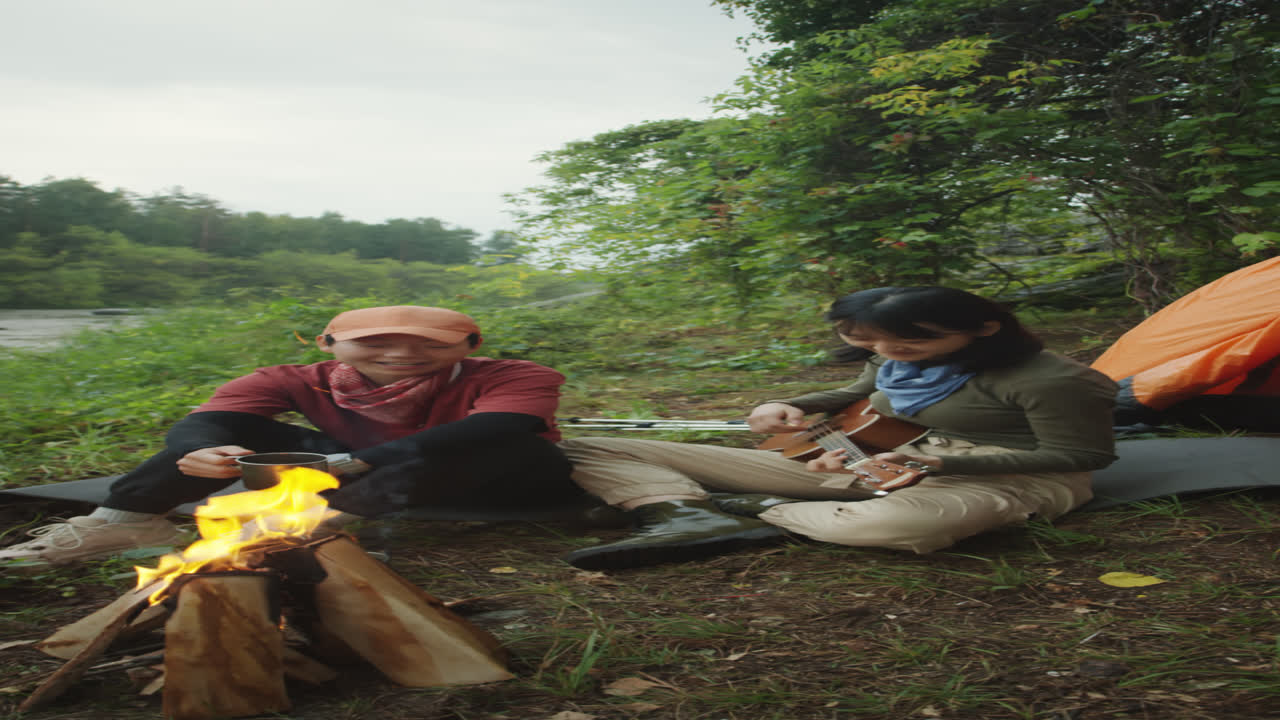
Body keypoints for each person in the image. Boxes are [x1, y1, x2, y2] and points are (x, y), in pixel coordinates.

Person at [559, 286, 1119, 570]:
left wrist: (939, 465)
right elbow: (857, 394)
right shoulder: (898, 357)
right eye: (872, 343)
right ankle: (678, 511)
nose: (886, 355)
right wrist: (783, 402)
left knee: (897, 526)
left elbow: (1080, 456)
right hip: (872, 453)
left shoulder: (1053, 381)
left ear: (984, 328)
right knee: (584, 444)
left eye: (907, 344)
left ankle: (750, 511)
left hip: (1003, 475)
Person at [1, 305, 581, 565]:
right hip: (367, 473)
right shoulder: (293, 379)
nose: (404, 352)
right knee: (228, 430)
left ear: (467, 348)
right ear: (329, 345)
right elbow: (211, 417)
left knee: (501, 441)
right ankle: (121, 524)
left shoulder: (515, 375)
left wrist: (350, 463)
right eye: (376, 341)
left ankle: (305, 525)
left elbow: (504, 425)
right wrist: (195, 451)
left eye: (431, 343)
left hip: (497, 478)